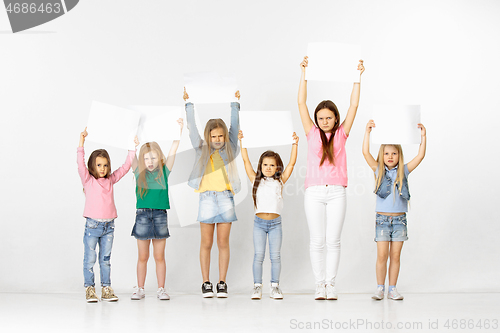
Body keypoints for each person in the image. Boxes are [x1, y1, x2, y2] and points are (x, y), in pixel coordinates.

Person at [297, 56, 365, 300]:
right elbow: (301, 102)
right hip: (314, 192)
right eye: (321, 118)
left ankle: (331, 285)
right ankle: (319, 285)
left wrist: (357, 77)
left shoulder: (342, 134)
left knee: (333, 241)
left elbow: (354, 105)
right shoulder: (311, 133)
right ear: (316, 120)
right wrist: (304, 72)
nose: (324, 121)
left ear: (336, 118)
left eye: (329, 117)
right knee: (317, 241)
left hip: (337, 192)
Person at [184, 88, 241, 298]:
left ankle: (222, 282)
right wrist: (188, 105)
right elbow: (192, 130)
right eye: (214, 136)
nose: (217, 139)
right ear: (208, 137)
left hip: (226, 198)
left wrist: (235, 104)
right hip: (207, 198)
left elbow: (235, 127)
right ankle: (206, 282)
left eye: (220, 135)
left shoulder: (230, 148)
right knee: (206, 243)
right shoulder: (202, 149)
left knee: (223, 243)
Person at [362, 119, 426, 300]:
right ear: (382, 155)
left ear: (399, 155)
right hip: (382, 220)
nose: (390, 157)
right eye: (387, 153)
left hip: (399, 220)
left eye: (394, 153)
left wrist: (423, 136)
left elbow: (420, 156)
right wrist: (367, 133)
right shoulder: (378, 170)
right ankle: (380, 288)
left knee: (395, 256)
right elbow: (365, 152)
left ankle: (392, 289)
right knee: (382, 255)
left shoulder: (403, 171)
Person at [77, 128, 138, 302]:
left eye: (105, 165)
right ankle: (90, 288)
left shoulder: (111, 180)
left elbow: (126, 167)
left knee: (105, 259)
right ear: (92, 166)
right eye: (99, 165)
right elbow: (80, 163)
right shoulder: (88, 180)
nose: (102, 168)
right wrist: (81, 142)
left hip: (108, 227)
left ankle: (106, 288)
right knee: (90, 259)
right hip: (92, 226)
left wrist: (132, 147)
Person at [238, 130, 299, 299]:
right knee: (258, 255)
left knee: (275, 256)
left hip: (275, 224)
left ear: (277, 167)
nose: (268, 168)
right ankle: (257, 286)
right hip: (259, 224)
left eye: (272, 165)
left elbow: (292, 164)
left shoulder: (280, 180)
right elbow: (245, 160)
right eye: (265, 165)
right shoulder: (256, 180)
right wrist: (243, 141)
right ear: (261, 166)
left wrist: (295, 144)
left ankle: (275, 286)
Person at [130, 119, 183, 301]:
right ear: (142, 160)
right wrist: (132, 140)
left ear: (158, 158)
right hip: (143, 215)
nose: (150, 161)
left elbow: (173, 151)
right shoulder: (138, 173)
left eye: (153, 158)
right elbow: (130, 155)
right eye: (146, 158)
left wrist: (178, 132)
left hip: (160, 215)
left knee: (159, 256)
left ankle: (161, 289)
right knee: (142, 256)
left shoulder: (164, 172)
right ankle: (140, 288)